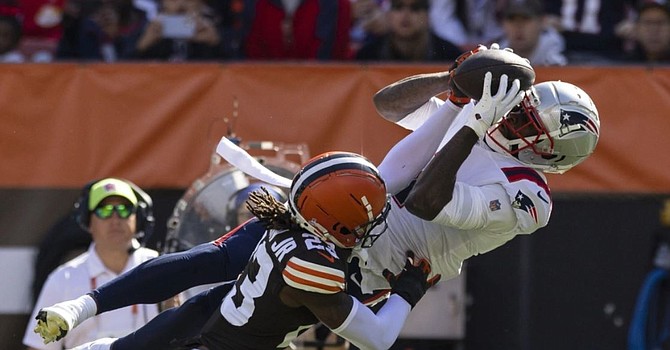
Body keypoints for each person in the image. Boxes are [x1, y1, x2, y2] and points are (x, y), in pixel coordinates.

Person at [33, 44, 601, 349]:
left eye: (529, 123)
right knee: (217, 260)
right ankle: (84, 310)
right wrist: (451, 85)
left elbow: (427, 201)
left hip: (372, 264)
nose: (515, 117)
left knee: (223, 312)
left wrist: (473, 122)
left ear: (547, 154)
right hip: (348, 209)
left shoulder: (530, 199)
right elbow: (388, 105)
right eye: (521, 107)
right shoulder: (483, 117)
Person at [65, 152, 438, 350]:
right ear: (335, 224)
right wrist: (408, 291)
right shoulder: (312, 265)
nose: (372, 226)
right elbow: (376, 337)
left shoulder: (283, 226)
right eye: (362, 221)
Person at [24, 178, 161, 350]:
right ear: (88, 220)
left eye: (124, 210)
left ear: (138, 218)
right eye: (104, 210)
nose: (115, 218)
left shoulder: (160, 268)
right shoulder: (62, 279)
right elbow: (39, 347)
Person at [355, 0, 462, 62]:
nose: (405, 15)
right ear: (388, 14)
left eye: (415, 8)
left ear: (427, 16)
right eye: (398, 7)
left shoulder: (450, 56)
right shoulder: (367, 55)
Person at [132, 0, 225, 61]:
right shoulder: (150, 30)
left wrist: (216, 44)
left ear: (201, 4)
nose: (181, 4)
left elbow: (235, 74)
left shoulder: (215, 30)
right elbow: (122, 75)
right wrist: (142, 46)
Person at [497, 0, 568, 66]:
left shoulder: (562, 57)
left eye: (525, 19)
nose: (518, 26)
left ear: (542, 22)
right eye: (512, 20)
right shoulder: (497, 55)